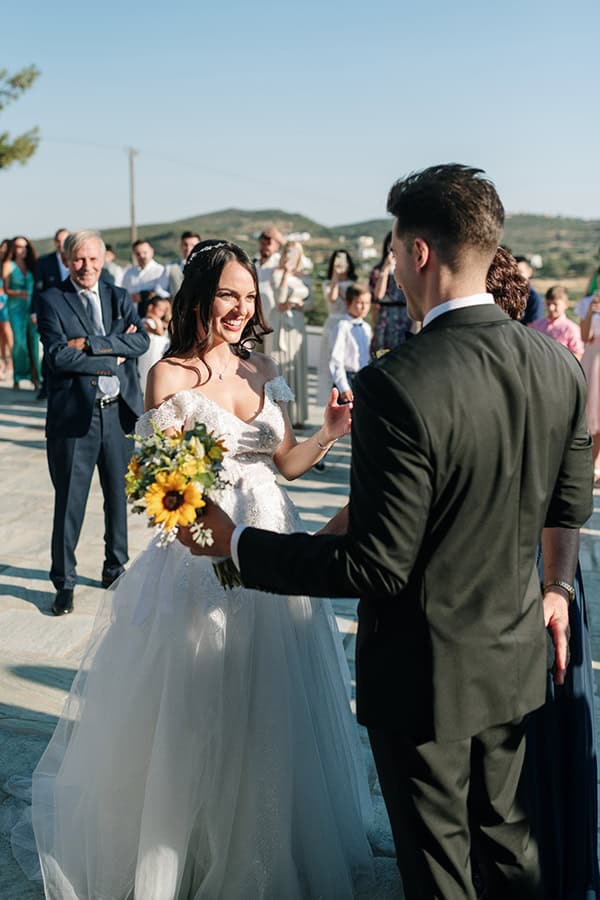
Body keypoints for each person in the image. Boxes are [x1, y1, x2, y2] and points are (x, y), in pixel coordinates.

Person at [187, 165, 593, 900]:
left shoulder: (398, 382)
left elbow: (375, 565)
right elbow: (569, 504)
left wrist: (238, 546)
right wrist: (559, 585)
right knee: (509, 842)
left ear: (418, 254)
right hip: (516, 653)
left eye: (394, 251)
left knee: (440, 868)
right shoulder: (559, 365)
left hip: (423, 674)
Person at [29, 239, 373, 899]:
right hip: (202, 559)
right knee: (198, 710)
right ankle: (188, 852)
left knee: (273, 707)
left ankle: (269, 848)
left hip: (272, 545)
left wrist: (328, 431)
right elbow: (161, 491)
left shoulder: (261, 368)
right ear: (200, 297)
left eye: (248, 297)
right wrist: (216, 549)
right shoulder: (170, 376)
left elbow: (288, 463)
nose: (240, 309)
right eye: (228, 295)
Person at [486, 246, 600, 900]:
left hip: (516, 558)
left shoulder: (484, 372)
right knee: (557, 714)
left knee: (519, 722)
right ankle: (564, 864)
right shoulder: (560, 365)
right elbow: (574, 483)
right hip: (559, 559)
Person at [37, 230, 149, 616]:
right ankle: (64, 582)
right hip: (74, 419)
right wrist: (113, 351)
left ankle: (115, 568)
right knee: (70, 503)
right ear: (68, 261)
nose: (86, 267)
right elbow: (56, 356)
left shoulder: (119, 297)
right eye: (79, 259)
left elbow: (142, 343)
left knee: (118, 498)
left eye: (93, 259)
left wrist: (90, 344)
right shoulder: (52, 299)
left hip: (117, 413)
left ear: (104, 261)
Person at [265, 240, 310, 427]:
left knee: (296, 365)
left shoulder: (304, 276)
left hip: (297, 324)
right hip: (280, 324)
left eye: (293, 253)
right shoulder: (276, 274)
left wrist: (301, 305)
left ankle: (297, 416)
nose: (289, 256)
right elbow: (280, 300)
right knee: (278, 368)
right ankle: (278, 415)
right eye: (287, 252)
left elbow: (312, 304)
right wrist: (286, 275)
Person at [32, 227, 70, 399]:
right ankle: (45, 385)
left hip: (71, 310)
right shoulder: (44, 262)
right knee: (49, 348)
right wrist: (35, 311)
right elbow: (37, 289)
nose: (62, 244)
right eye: (59, 241)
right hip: (49, 311)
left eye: (65, 240)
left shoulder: (76, 259)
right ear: (55, 242)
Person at [317, 249, 357, 405]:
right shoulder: (328, 283)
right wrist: (335, 275)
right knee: (329, 367)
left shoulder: (353, 285)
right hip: (331, 324)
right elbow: (332, 299)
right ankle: (330, 402)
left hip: (348, 325)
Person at [2, 235, 41, 390]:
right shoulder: (8, 265)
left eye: (24, 246)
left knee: (34, 342)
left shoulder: (33, 265)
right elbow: (6, 289)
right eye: (18, 246)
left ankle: (36, 376)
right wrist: (19, 293)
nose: (22, 250)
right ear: (13, 249)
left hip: (32, 308)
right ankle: (18, 375)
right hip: (15, 307)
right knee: (19, 342)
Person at [328, 282, 372, 403]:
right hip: (347, 380)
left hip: (363, 379)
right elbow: (336, 360)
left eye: (367, 303)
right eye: (359, 303)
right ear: (348, 303)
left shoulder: (366, 327)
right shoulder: (342, 327)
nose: (364, 307)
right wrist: (344, 387)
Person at [369, 231, 411, 353]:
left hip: (404, 315)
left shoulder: (409, 270)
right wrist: (385, 269)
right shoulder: (378, 270)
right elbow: (378, 295)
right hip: (385, 317)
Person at [576, 289, 600, 482]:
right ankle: (591, 467)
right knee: (592, 414)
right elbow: (584, 337)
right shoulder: (588, 303)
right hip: (593, 358)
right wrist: (591, 312)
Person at [530, 285, 584, 358]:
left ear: (566, 304)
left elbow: (577, 354)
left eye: (555, 304)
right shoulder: (536, 325)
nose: (551, 308)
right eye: (548, 304)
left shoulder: (571, 329)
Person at [137, 290, 172, 394]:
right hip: (148, 356)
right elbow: (159, 332)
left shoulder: (160, 322)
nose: (161, 313)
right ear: (151, 308)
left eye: (163, 311)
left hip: (157, 355)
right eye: (159, 310)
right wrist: (154, 318)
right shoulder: (145, 322)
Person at [166, 230, 201, 296]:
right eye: (185, 244)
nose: (188, 248)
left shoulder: (207, 266)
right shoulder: (170, 266)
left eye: (193, 245)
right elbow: (160, 289)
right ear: (181, 246)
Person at [515, 255, 545, 325]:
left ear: (529, 272)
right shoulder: (507, 295)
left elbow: (535, 325)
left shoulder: (534, 298)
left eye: (520, 272)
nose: (517, 276)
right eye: (514, 272)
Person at [0, 238, 14, 381]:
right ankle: (3, 364)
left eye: (5, 247)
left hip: (4, 300)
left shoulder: (8, 265)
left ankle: (11, 364)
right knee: (1, 337)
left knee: (7, 333)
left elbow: (7, 287)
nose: (2, 249)